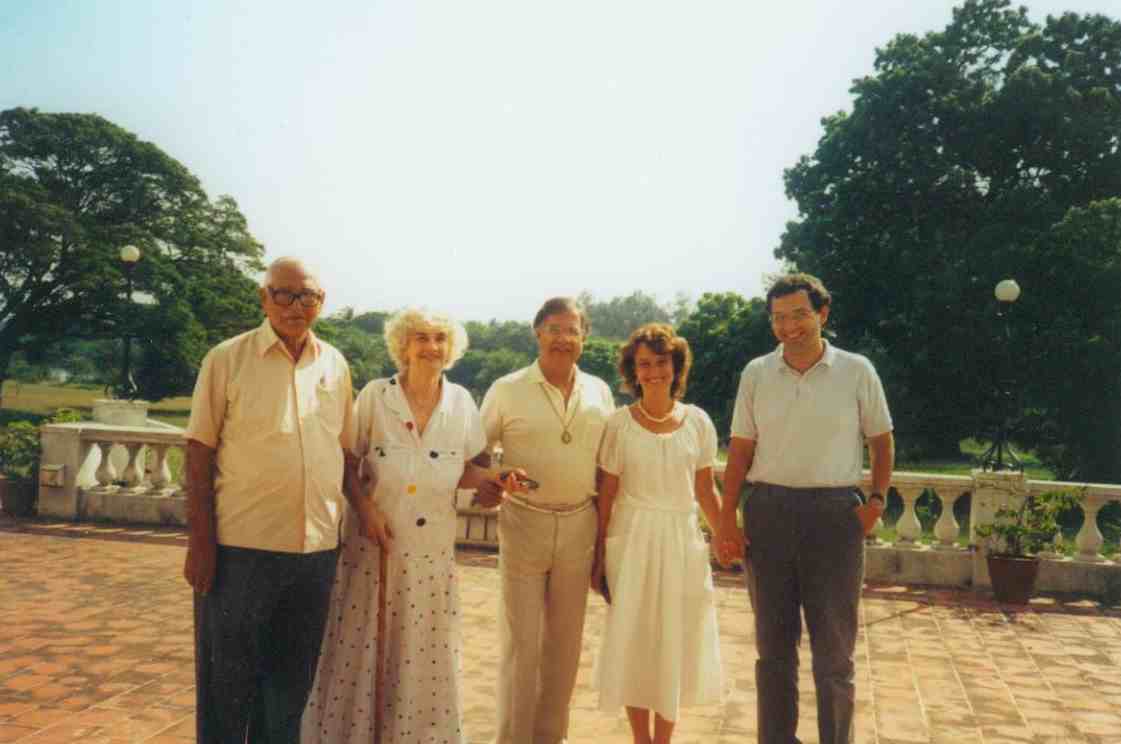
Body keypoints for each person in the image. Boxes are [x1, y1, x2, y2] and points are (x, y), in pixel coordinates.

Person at [302, 308, 521, 744]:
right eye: (421, 338)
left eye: (440, 339)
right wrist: (366, 510)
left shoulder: (461, 402)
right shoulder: (375, 397)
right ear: (403, 345)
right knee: (364, 651)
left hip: (430, 554)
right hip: (374, 549)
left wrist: (495, 481)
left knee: (423, 656)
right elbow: (346, 462)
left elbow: (470, 470)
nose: (431, 347)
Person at [183, 257, 373, 743]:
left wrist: (366, 513)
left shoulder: (334, 364)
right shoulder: (227, 359)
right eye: (283, 294)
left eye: (306, 296)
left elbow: (343, 452)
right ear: (264, 298)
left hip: (315, 552)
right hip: (240, 549)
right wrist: (200, 543)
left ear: (321, 302)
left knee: (290, 689)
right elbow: (199, 452)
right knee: (228, 687)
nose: (295, 305)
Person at [714, 273, 894, 744]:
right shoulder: (756, 373)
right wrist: (726, 518)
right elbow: (739, 450)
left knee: (834, 653)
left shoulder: (856, 370)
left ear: (822, 314)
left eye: (799, 314)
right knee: (773, 650)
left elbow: (881, 440)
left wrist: (876, 501)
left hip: (835, 517)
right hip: (768, 514)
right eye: (779, 318)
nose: (789, 326)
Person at [475, 296, 615, 744]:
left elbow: (608, 466)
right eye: (554, 329)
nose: (562, 338)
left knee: (565, 646)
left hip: (580, 524)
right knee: (522, 645)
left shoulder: (600, 391)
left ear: (584, 337)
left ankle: (551, 737)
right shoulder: (507, 388)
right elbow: (477, 451)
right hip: (524, 522)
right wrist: (493, 481)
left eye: (572, 330)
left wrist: (606, 540)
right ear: (537, 333)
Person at [591, 323, 723, 744]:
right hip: (631, 540)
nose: (653, 372)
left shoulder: (698, 422)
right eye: (644, 364)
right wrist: (598, 554)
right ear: (633, 371)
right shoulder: (619, 424)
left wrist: (728, 534)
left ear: (676, 366)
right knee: (635, 640)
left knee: (674, 640)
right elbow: (606, 494)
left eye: (661, 362)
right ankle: (640, 739)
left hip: (681, 541)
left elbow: (706, 489)